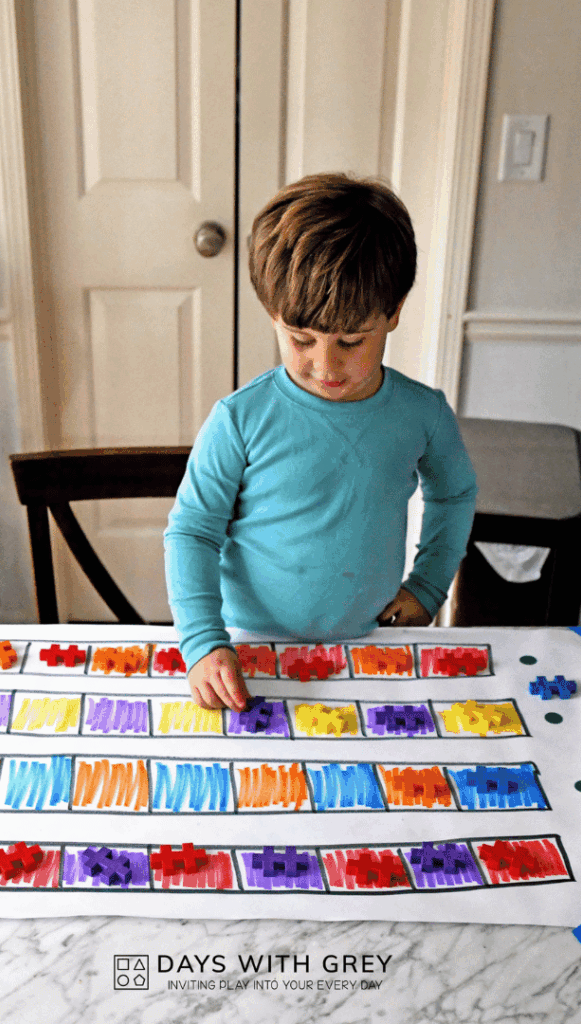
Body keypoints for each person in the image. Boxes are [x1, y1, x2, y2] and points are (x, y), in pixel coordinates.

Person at [164, 172, 477, 711]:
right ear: (273, 315)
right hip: (249, 647)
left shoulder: (423, 414)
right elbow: (192, 530)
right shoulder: (238, 419)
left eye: (351, 341)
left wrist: (427, 586)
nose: (325, 366)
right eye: (301, 339)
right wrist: (202, 641)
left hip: (370, 645)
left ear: (394, 311)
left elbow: (454, 494)